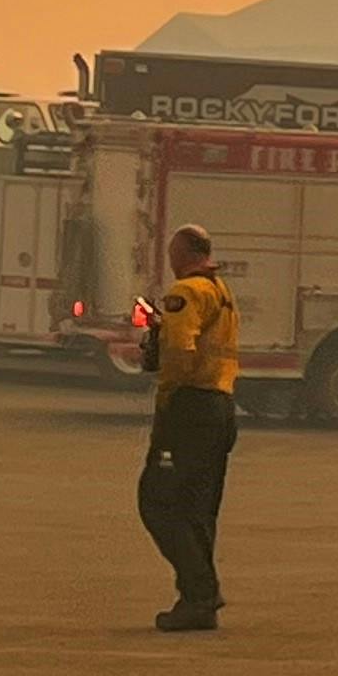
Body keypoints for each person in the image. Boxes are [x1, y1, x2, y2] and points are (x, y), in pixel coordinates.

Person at [137, 223, 240, 633]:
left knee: (158, 502)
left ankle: (201, 592)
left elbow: (180, 354)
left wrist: (165, 391)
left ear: (181, 254)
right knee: (198, 509)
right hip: (221, 406)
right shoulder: (221, 292)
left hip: (189, 408)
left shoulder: (186, 292)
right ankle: (197, 603)